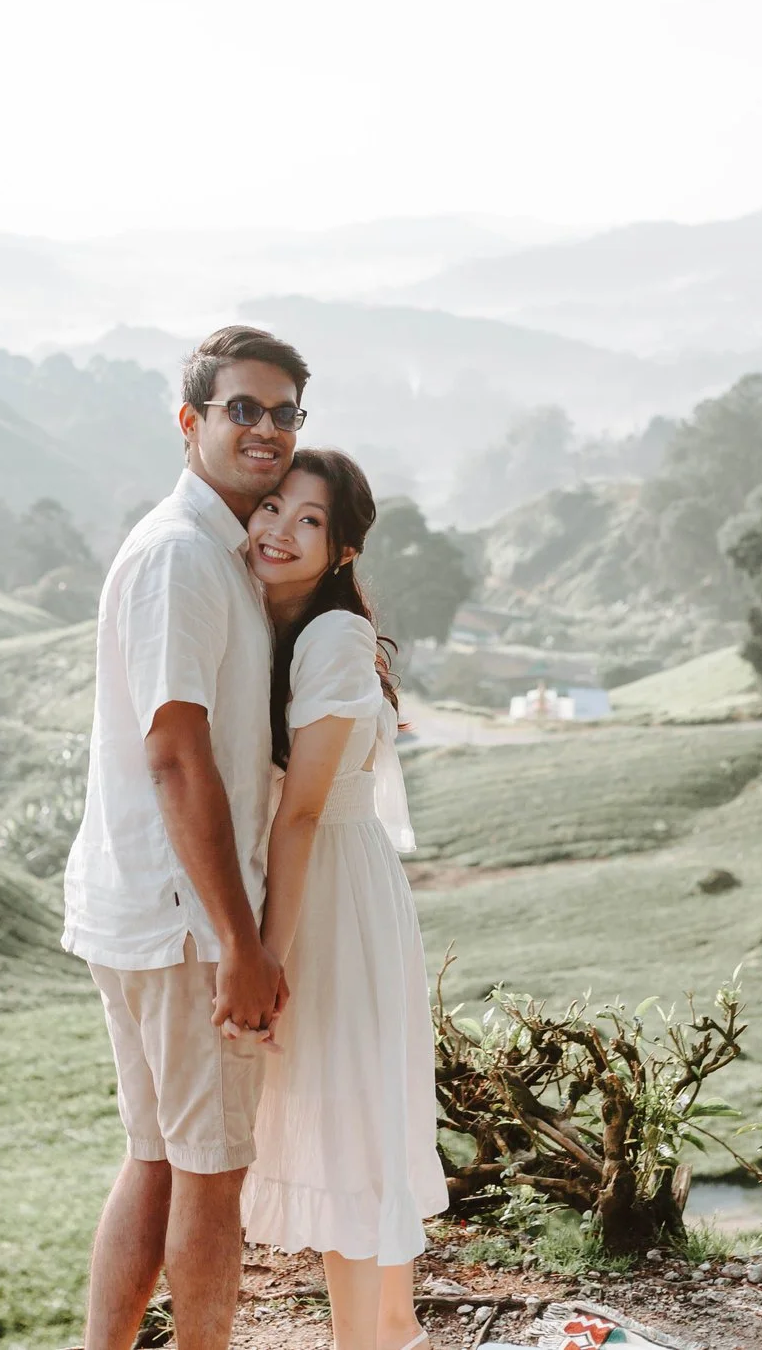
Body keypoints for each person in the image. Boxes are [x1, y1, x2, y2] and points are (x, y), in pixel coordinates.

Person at [66, 324, 311, 1350]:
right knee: (211, 1171)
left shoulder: (215, 549)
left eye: (283, 412)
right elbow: (176, 753)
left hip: (142, 904)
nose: (264, 429)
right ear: (190, 422)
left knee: (159, 1154)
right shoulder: (181, 559)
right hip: (180, 920)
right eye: (240, 408)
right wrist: (237, 939)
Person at [239, 448, 448, 1350]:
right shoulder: (278, 625)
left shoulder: (329, 637)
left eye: (311, 520)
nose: (282, 529)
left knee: (352, 1130)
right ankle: (389, 1333)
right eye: (273, 506)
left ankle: (365, 1340)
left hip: (329, 892)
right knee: (355, 1127)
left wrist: (266, 964)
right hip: (329, 884)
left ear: (343, 551)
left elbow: (301, 813)